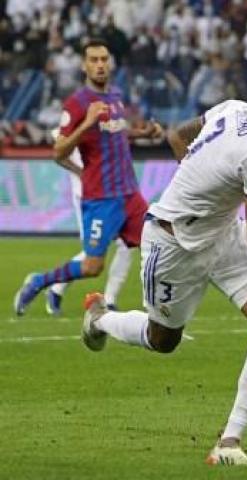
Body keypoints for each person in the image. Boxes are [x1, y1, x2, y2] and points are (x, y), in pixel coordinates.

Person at [79, 66, 247, 466]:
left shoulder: (233, 107)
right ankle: (99, 317)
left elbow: (176, 135)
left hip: (221, 233)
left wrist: (205, 187)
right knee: (162, 340)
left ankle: (229, 443)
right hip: (172, 245)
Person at [13, 38, 162, 316]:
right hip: (101, 197)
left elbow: (116, 129)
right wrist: (86, 124)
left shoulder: (115, 96)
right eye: (93, 60)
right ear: (84, 66)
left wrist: (141, 133)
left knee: (160, 245)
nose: (100, 65)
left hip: (130, 194)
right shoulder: (77, 104)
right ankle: (39, 282)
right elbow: (59, 151)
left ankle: (161, 313)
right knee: (93, 266)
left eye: (104, 59)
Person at [44, 129, 133, 315]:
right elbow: (58, 149)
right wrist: (82, 172)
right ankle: (55, 289)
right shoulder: (77, 117)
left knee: (126, 244)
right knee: (91, 253)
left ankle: (109, 301)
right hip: (88, 196)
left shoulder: (104, 118)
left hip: (111, 193)